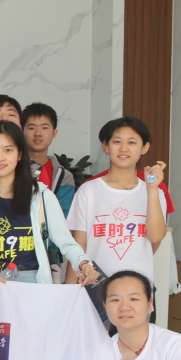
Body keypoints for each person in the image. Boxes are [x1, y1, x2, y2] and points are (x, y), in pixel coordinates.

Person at [0, 121, 97, 294]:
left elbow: (66, 243)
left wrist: (84, 264)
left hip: (33, 285)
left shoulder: (42, 196)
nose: (0, 157)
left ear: (19, 154)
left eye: (8, 150)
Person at [67, 117, 168, 286]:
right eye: (117, 142)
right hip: (96, 287)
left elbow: (156, 237)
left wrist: (151, 190)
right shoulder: (88, 190)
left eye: (132, 142)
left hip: (138, 289)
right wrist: (70, 289)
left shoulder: (155, 192)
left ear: (145, 148)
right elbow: (79, 245)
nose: (124, 148)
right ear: (106, 146)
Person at [21, 103, 77, 214]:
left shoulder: (64, 177)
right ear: (22, 131)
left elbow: (63, 215)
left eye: (44, 128)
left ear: (54, 133)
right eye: (31, 128)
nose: (38, 133)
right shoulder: (10, 168)